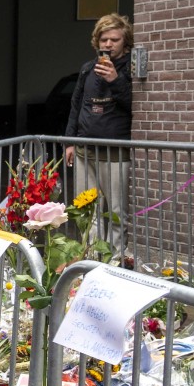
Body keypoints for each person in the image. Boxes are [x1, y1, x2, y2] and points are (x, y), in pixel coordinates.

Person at [64, 13, 133, 255]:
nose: (108, 45)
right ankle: (92, 255)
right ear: (97, 41)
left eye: (114, 39)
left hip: (115, 152)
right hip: (84, 149)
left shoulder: (130, 68)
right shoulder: (87, 69)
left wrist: (116, 80)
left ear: (125, 41)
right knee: (86, 208)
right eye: (104, 39)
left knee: (115, 210)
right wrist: (70, 141)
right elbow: (76, 105)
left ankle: (115, 259)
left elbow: (135, 106)